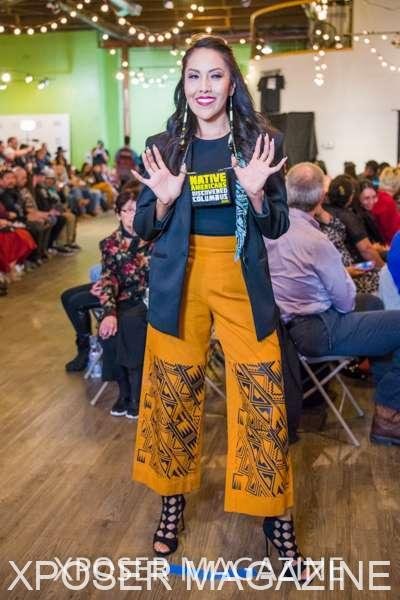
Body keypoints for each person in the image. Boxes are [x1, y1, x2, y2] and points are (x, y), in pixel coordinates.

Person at [129, 34, 307, 577]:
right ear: (183, 85)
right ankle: (171, 501)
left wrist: (254, 192)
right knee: (172, 395)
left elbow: (277, 224)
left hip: (239, 279)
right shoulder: (164, 146)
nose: (204, 86)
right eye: (194, 76)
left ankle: (275, 516)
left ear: (232, 84)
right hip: (179, 278)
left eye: (215, 75)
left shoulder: (262, 144)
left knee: (261, 396)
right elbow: (143, 226)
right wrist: (162, 201)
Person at [265, 162, 400, 447]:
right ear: (320, 198)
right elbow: (345, 300)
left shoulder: (270, 229)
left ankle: (386, 401)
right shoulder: (316, 241)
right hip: (317, 330)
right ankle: (388, 415)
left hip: (285, 328)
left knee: (373, 303)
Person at [91, 189, 151, 419]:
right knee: (109, 328)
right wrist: (109, 312)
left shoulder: (153, 238)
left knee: (131, 323)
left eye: (136, 210)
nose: (131, 215)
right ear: (118, 214)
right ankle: (123, 391)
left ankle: (136, 393)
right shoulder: (109, 244)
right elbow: (108, 279)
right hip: (123, 298)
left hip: (149, 299)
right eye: (126, 210)